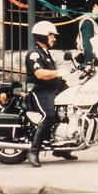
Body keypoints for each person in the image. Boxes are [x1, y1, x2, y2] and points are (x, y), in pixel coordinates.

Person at [25, 20, 76, 168]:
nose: (54, 38)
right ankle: (33, 151)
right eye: (51, 35)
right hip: (40, 90)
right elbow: (40, 74)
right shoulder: (34, 53)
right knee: (49, 116)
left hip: (53, 89)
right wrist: (58, 72)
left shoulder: (45, 52)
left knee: (66, 112)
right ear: (42, 36)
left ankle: (62, 149)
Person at [76, 0, 98, 66]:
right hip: (91, 63)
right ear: (95, 6)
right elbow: (88, 43)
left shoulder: (91, 21)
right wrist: (88, 62)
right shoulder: (87, 22)